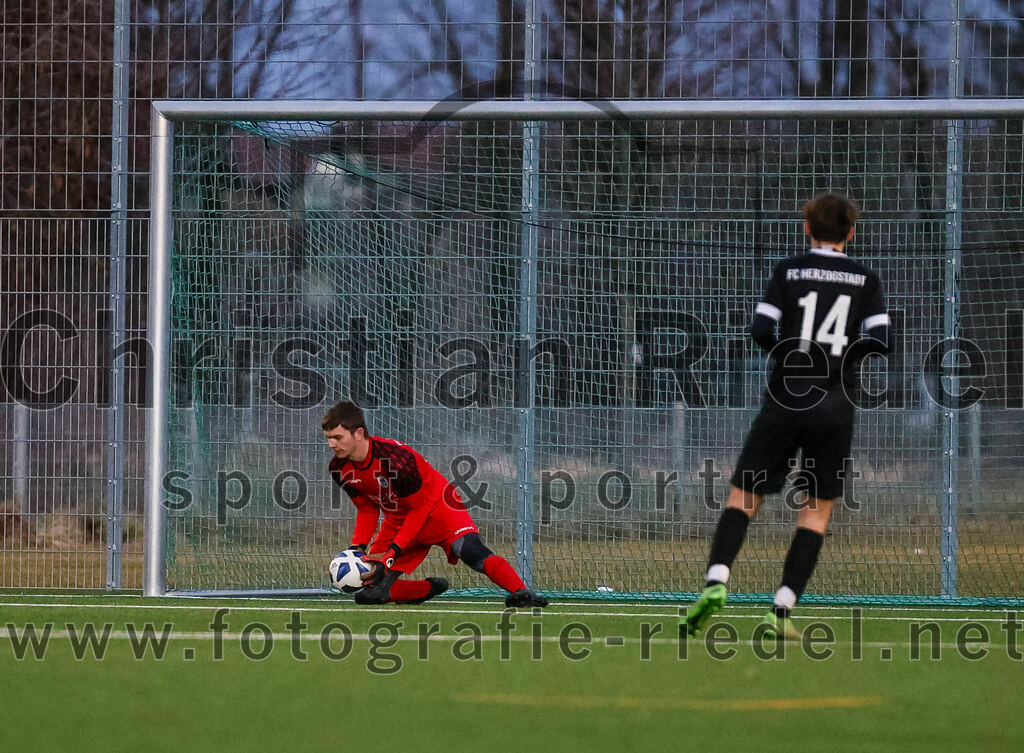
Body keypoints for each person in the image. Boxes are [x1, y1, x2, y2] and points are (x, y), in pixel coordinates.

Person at [681, 193, 890, 640]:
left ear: (806, 228)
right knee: (815, 514)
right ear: (851, 232)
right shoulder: (865, 279)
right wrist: (841, 366)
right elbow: (882, 339)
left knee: (743, 499)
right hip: (834, 408)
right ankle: (780, 610)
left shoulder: (788, 271)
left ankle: (717, 580)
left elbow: (760, 329)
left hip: (785, 400)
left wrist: (791, 360)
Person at [323, 400, 548, 608]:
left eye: (338, 437)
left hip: (440, 510)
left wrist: (390, 555)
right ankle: (429, 588)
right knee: (370, 592)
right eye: (329, 438)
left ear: (359, 433)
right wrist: (357, 549)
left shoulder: (395, 460)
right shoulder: (338, 467)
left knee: (470, 551)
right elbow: (367, 508)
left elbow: (419, 510)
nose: (332, 444)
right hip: (400, 520)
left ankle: (521, 593)